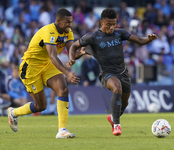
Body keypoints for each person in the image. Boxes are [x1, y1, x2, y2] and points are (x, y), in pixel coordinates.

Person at [67, 8, 158, 136]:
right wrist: (72, 59)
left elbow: (140, 41)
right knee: (117, 88)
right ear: (101, 22)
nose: (112, 27)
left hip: (123, 72)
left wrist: (149, 39)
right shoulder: (93, 37)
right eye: (109, 24)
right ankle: (117, 125)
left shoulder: (120, 33)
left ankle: (112, 118)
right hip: (106, 73)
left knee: (124, 102)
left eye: (114, 24)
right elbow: (73, 46)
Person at [7, 8, 84, 139]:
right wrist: (67, 73)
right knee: (40, 106)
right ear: (58, 21)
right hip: (31, 68)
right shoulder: (49, 31)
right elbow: (53, 56)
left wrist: (79, 53)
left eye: (71, 22)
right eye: (67, 22)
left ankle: (62, 130)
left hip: (47, 65)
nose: (70, 25)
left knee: (63, 90)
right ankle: (14, 112)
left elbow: (71, 53)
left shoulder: (68, 32)